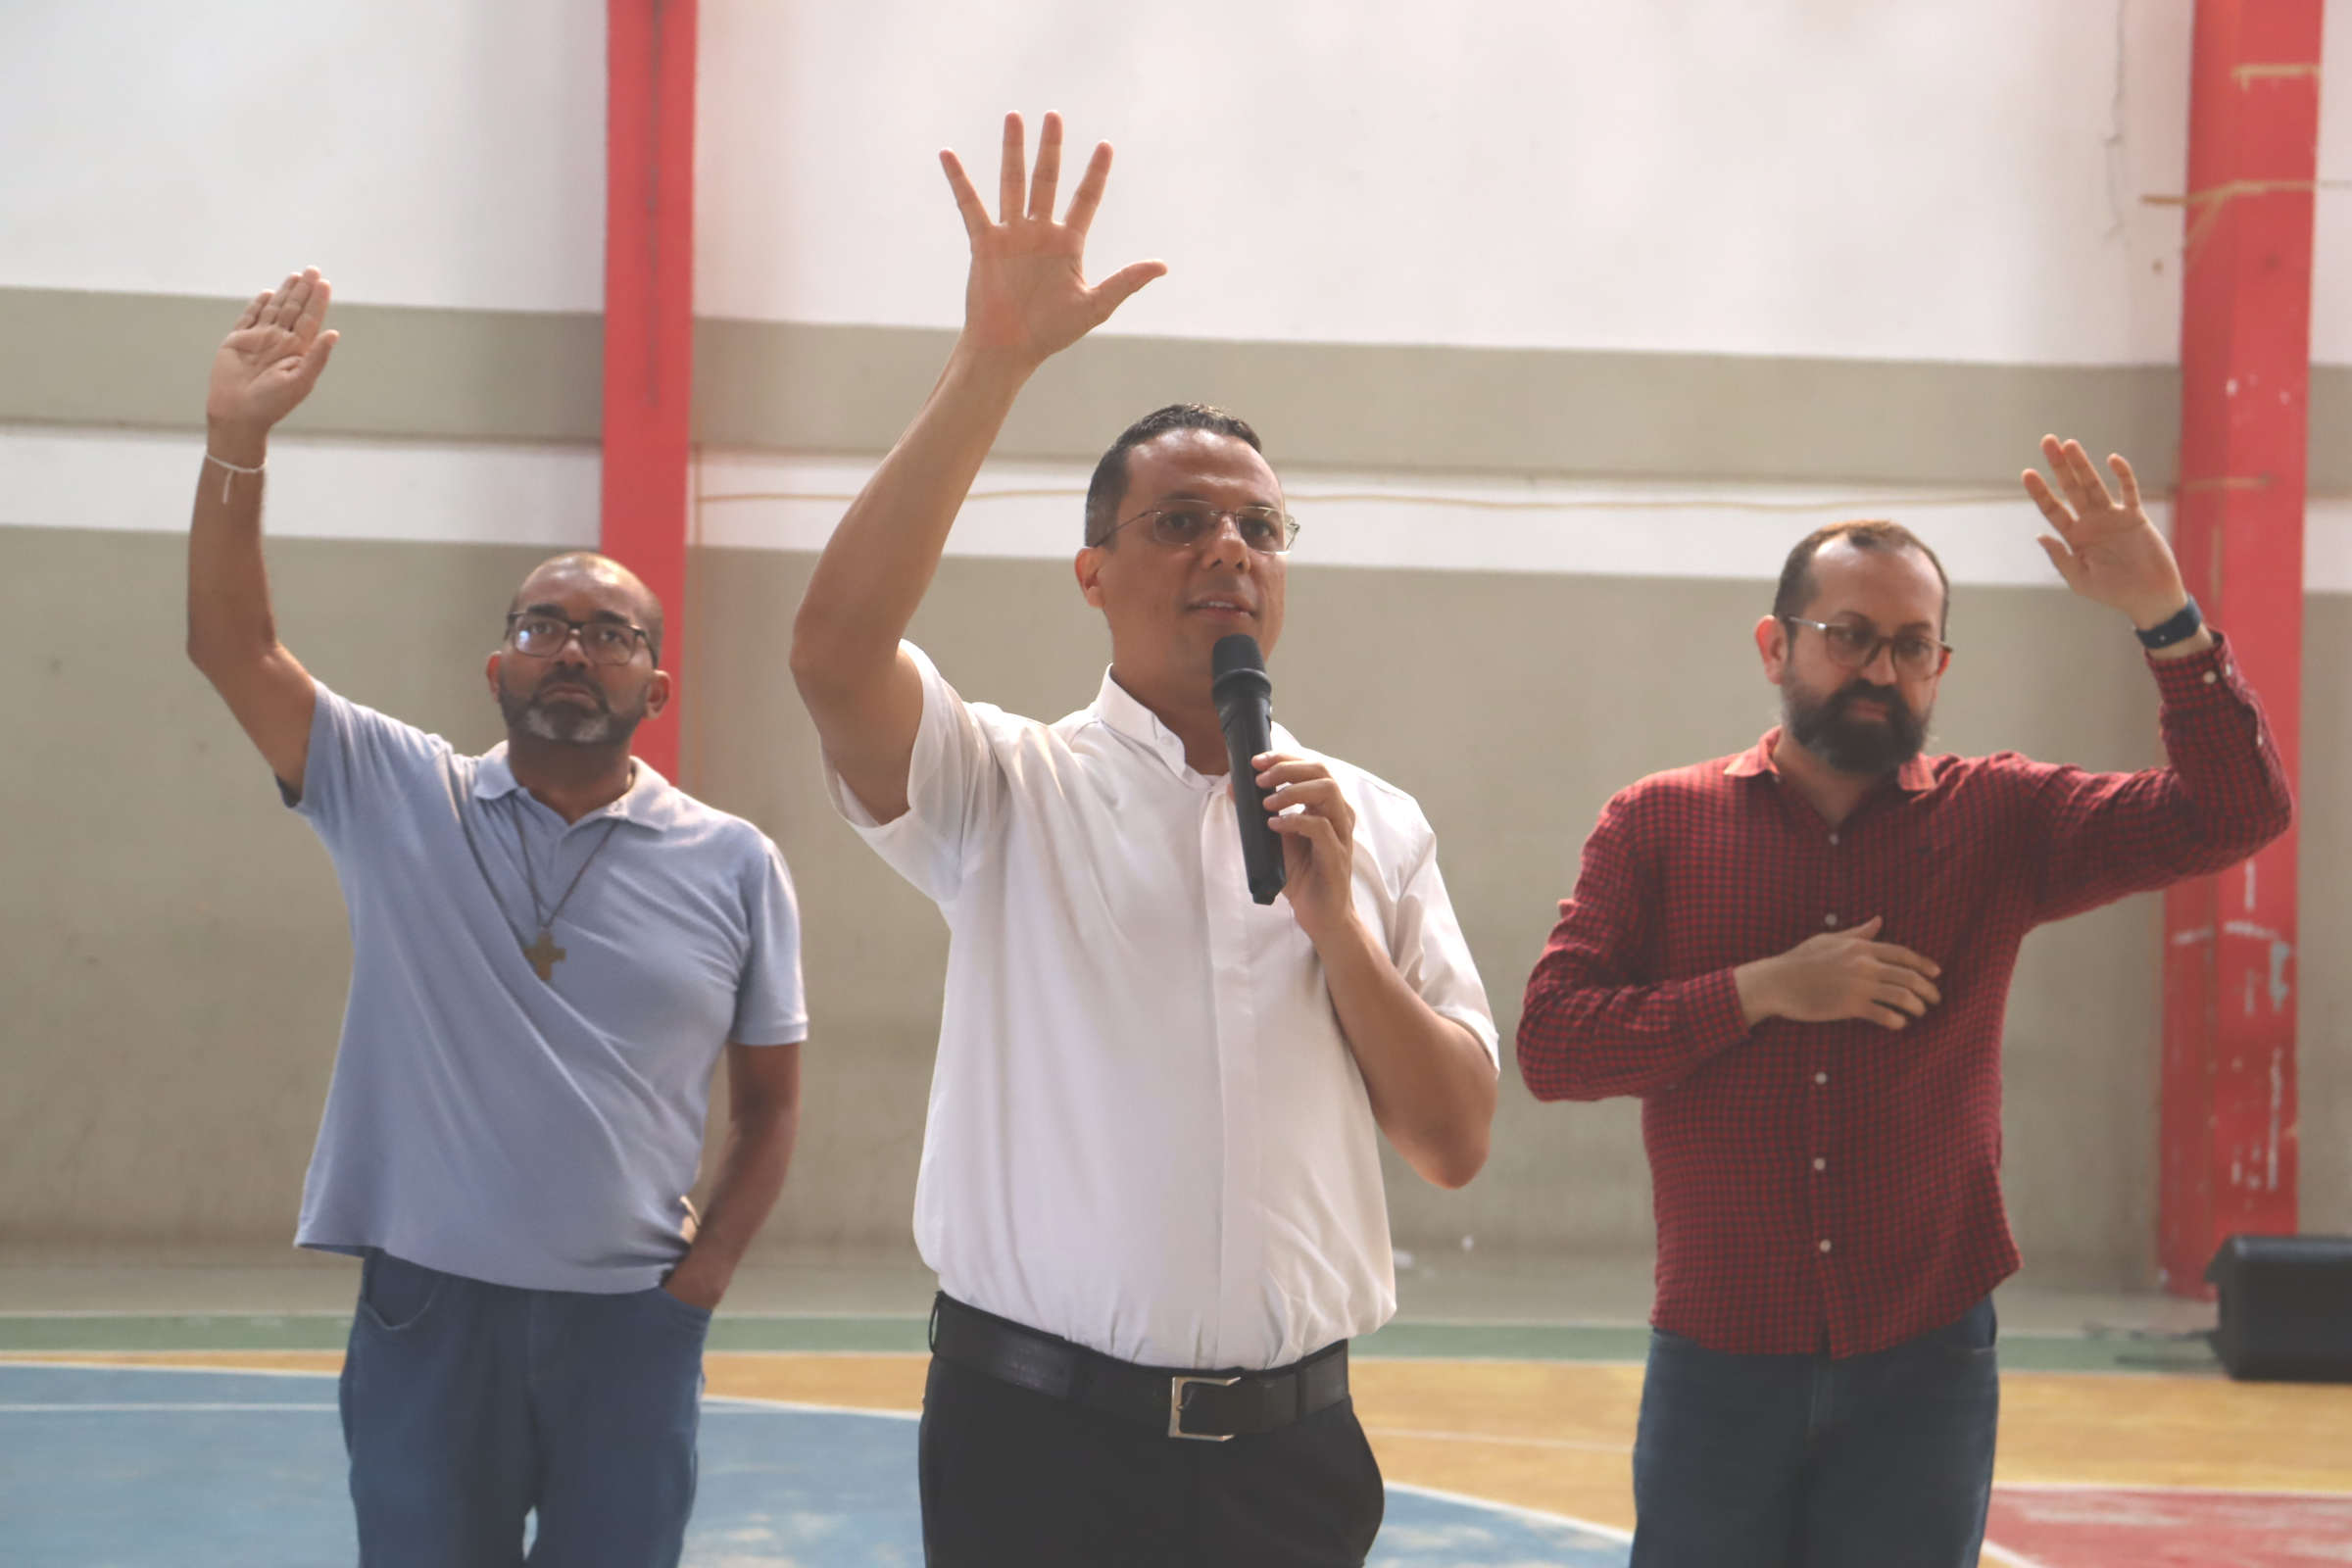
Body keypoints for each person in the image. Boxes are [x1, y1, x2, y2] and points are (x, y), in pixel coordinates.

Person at [789, 114, 1500, 1568]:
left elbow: (1452, 1140)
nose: (1229, 548)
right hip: (1039, 1453)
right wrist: (993, 361)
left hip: (1294, 1464)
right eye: (1180, 522)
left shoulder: (1370, 822)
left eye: (1261, 528)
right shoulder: (1006, 786)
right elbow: (833, 651)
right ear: (1094, 572)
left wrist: (1340, 930)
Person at [1515, 438, 2292, 1566]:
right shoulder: (1658, 824)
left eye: (1912, 645)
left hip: (1924, 1359)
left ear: (1939, 668)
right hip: (1722, 1353)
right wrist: (1764, 990)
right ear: (1775, 645)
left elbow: (2237, 813)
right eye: (1849, 636)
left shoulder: (2002, 820)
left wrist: (2165, 617)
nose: (1880, 669)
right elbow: (1552, 1044)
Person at [185, 270, 809, 1568]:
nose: (573, 648)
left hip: (631, 1325)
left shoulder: (736, 863)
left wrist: (693, 1293)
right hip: (431, 1317)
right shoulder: (394, 791)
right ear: (497, 667)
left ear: (655, 685)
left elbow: (770, 1110)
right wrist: (236, 443)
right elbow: (231, 648)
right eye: (543, 626)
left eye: (610, 633)